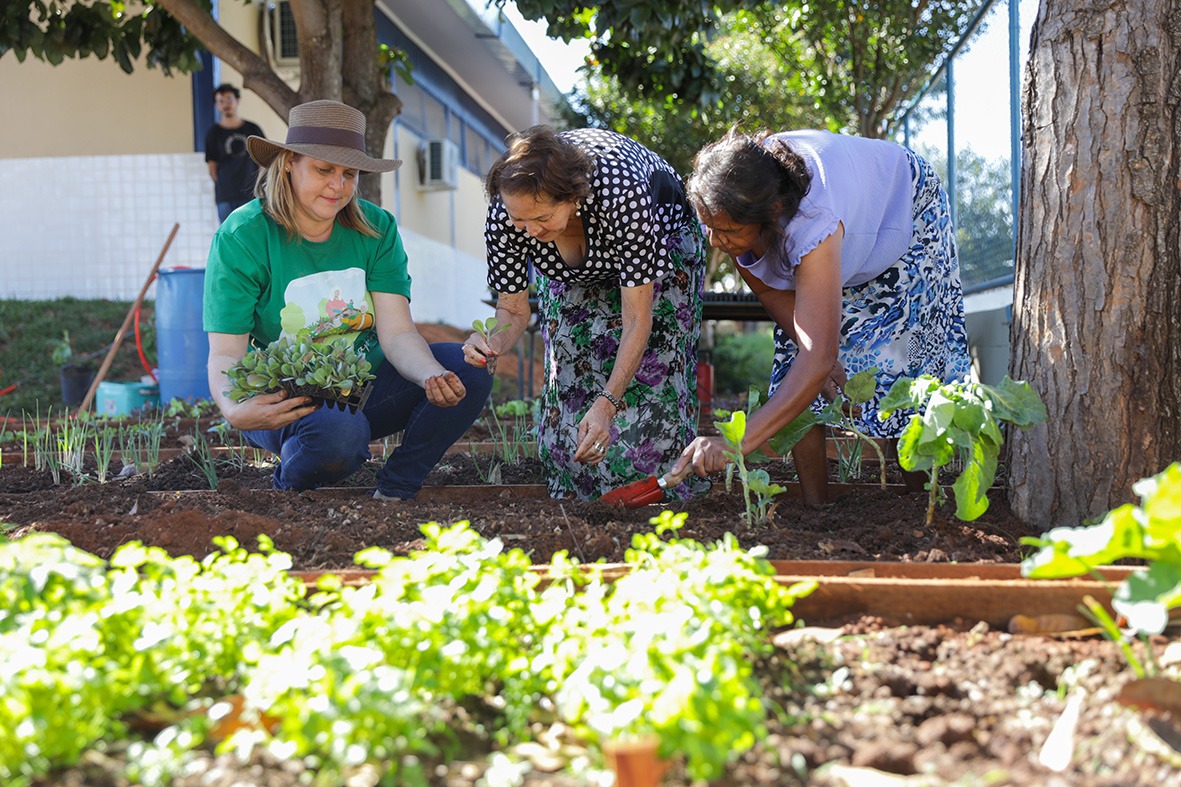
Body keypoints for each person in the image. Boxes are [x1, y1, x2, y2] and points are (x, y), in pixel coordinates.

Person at [203, 99, 492, 500]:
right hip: (283, 396)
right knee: (340, 434)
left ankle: (398, 486)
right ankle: (289, 489)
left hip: (365, 388)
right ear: (288, 163)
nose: (338, 186)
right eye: (324, 170)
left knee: (467, 369)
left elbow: (397, 332)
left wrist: (431, 376)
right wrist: (234, 409)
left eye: (349, 174)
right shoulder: (243, 236)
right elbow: (225, 353)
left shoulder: (376, 228)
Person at [674, 128, 971, 504]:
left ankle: (923, 504)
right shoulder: (728, 201)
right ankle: (817, 506)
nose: (715, 241)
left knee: (903, 367)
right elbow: (772, 294)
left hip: (904, 211)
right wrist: (818, 358)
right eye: (711, 228)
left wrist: (737, 441)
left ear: (771, 214)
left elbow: (819, 355)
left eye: (727, 231)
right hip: (839, 222)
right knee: (796, 358)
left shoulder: (813, 221)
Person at [466, 126, 707, 500]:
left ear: (573, 197)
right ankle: (576, 495)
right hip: (576, 265)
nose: (529, 231)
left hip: (660, 236)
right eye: (519, 221)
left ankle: (660, 493)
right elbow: (511, 309)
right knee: (570, 361)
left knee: (651, 371)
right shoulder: (507, 213)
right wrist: (490, 341)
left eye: (541, 218)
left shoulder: (621, 195)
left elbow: (637, 319)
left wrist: (608, 404)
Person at [205, 84, 266, 223]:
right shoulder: (213, 133)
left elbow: (264, 160)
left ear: (237, 100)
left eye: (228, 99)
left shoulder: (253, 129)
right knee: (228, 233)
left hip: (252, 194)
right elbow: (212, 167)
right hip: (226, 196)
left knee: (253, 232)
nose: (225, 104)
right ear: (216, 105)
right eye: (220, 101)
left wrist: (261, 185)